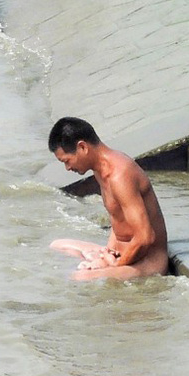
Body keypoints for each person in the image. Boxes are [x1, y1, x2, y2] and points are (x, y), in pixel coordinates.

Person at [48, 117, 168, 280]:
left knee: (80, 277)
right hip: (118, 253)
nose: (68, 168)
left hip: (146, 261)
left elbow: (145, 237)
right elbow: (118, 217)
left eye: (67, 161)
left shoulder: (120, 175)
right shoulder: (100, 170)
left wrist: (112, 265)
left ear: (82, 147)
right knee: (58, 245)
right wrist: (105, 254)